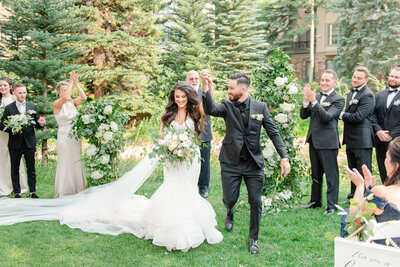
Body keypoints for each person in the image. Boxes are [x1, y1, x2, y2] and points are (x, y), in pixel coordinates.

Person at [0, 81, 222, 253]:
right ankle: (171, 226)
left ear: (189, 97)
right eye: (177, 97)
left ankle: (192, 223)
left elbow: (206, 114)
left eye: (183, 97)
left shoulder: (196, 111)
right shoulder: (169, 114)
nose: (181, 100)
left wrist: (206, 84)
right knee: (173, 189)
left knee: (188, 189)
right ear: (173, 98)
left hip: (189, 159)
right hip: (172, 160)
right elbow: (162, 137)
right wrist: (168, 147)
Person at [201, 72, 290, 254]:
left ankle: (253, 239)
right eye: (228, 88)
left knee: (255, 201)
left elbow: (273, 132)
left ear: (243, 89)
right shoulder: (227, 105)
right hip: (230, 162)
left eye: (231, 88)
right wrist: (206, 86)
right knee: (230, 198)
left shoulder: (260, 107)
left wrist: (284, 157)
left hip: (253, 163)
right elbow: (210, 109)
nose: (229, 91)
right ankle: (230, 209)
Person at [340, 136, 400, 246]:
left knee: (346, 215)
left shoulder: (382, 192)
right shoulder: (380, 192)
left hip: (387, 256)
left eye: (386, 157)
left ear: (396, 165)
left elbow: (355, 220)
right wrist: (369, 193)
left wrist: (360, 186)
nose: (384, 161)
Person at [300, 70, 345, 215]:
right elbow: (303, 115)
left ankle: (332, 205)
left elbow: (326, 117)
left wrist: (313, 101)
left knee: (332, 175)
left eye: (327, 80)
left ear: (334, 82)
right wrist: (306, 101)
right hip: (314, 140)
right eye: (322, 80)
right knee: (316, 173)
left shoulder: (338, 99)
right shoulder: (317, 96)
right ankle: (315, 200)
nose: (324, 83)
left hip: (328, 142)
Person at [0, 83, 45, 198]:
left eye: (24, 92)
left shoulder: (32, 107)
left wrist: (41, 124)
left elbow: (37, 124)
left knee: (31, 167)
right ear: (14, 93)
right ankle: (17, 192)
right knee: (14, 168)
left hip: (29, 142)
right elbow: (2, 125)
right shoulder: (9, 108)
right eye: (20, 93)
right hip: (15, 143)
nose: (22, 95)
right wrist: (13, 129)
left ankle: (32, 191)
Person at [339, 67, 375, 203]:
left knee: (364, 170)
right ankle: (353, 196)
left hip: (362, 139)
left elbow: (359, 116)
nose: (355, 79)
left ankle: (366, 198)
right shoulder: (351, 94)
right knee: (353, 169)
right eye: (354, 77)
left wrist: (340, 114)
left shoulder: (368, 95)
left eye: (359, 78)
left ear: (366, 80)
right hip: (350, 138)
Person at [53, 71, 87, 197]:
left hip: (75, 136)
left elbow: (84, 98)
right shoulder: (57, 104)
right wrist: (71, 81)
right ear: (58, 93)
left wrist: (77, 85)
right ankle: (63, 190)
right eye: (64, 89)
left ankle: (78, 188)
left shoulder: (72, 103)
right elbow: (65, 98)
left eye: (68, 89)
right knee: (65, 161)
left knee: (76, 161)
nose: (67, 91)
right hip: (64, 135)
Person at [186, 70, 213, 198]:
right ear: (187, 80)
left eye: (196, 78)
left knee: (205, 161)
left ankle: (204, 187)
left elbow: (211, 105)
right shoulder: (183, 93)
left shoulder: (204, 91)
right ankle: (189, 186)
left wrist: (209, 84)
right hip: (187, 133)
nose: (194, 81)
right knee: (188, 161)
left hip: (204, 132)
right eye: (191, 79)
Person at [371, 67, 400, 184]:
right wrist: (378, 131)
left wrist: (391, 135)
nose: (392, 79)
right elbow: (372, 115)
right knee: (382, 167)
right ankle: (385, 192)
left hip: (397, 140)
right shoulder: (379, 95)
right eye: (391, 76)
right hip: (380, 139)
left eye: (396, 77)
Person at [0, 77, 28, 196]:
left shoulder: (14, 98)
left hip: (13, 132)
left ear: (10, 87)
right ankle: (4, 186)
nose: (2, 87)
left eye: (5, 85)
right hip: (1, 133)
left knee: (15, 157)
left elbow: (22, 114)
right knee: (2, 158)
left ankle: (18, 185)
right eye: (0, 85)